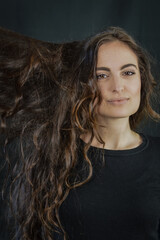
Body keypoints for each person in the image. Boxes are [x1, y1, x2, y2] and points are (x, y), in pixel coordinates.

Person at [0, 26, 160, 240]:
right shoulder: (55, 155)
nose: (118, 86)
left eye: (128, 72)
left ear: (142, 79)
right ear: (83, 85)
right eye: (101, 75)